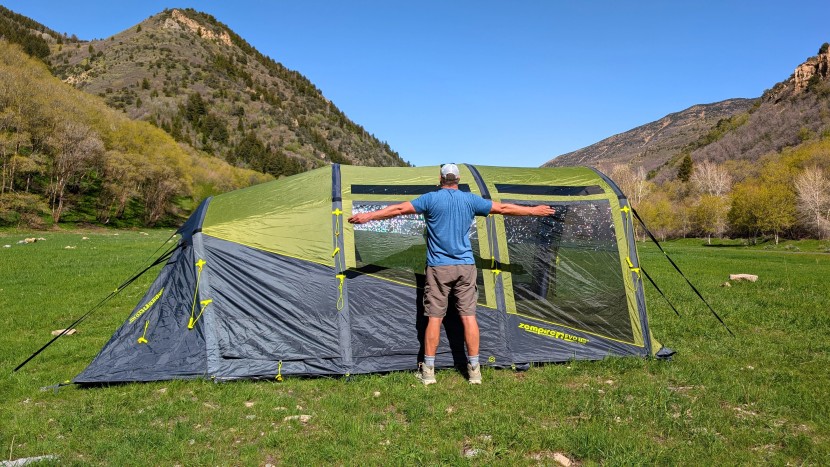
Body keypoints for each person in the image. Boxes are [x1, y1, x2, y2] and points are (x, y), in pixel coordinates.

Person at [347, 164, 555, 385]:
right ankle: (474, 372)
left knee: (434, 319)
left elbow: (398, 209)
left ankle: (428, 372)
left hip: (439, 268)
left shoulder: (430, 199)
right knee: (469, 317)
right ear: (458, 179)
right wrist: (534, 211)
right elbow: (502, 208)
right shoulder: (470, 200)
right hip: (465, 266)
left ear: (440, 179)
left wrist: (368, 216)